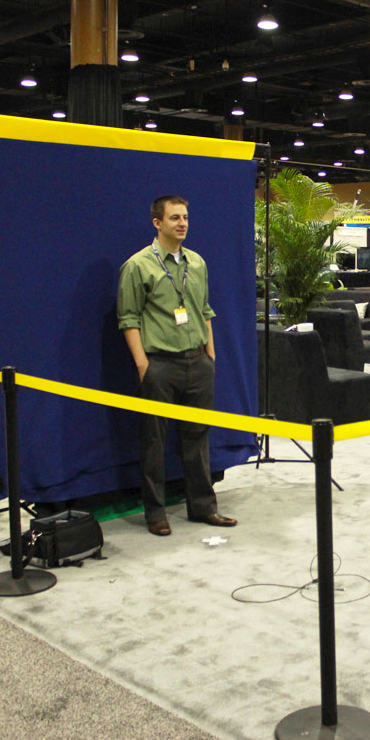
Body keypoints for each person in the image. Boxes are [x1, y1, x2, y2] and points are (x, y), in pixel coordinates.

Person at [116, 195, 236, 536]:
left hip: (198, 363)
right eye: (174, 218)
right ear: (157, 223)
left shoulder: (197, 263)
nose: (182, 223)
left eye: (185, 217)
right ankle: (155, 513)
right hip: (160, 365)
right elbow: (128, 318)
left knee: (198, 438)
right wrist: (143, 365)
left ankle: (203, 507)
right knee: (154, 441)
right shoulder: (138, 266)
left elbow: (204, 311)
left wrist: (210, 355)